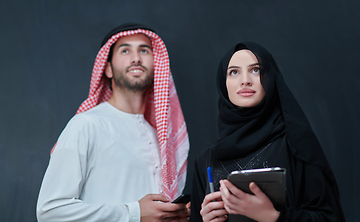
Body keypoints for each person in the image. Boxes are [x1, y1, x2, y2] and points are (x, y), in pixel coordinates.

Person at [37, 23, 190, 222]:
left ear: (156, 65)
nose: (136, 58)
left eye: (144, 50)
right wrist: (133, 213)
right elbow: (49, 211)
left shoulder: (162, 139)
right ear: (107, 68)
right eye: (125, 50)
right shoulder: (86, 125)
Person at [189, 42, 346, 222]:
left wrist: (273, 217)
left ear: (270, 78)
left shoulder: (296, 145)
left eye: (255, 70)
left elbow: (330, 218)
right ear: (223, 85)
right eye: (234, 72)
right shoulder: (207, 160)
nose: (245, 80)